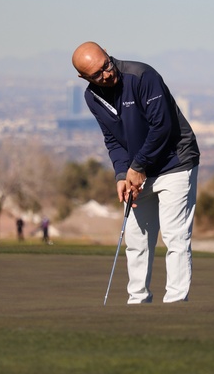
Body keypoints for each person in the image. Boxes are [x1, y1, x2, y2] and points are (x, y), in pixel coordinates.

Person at [72, 41, 200, 304]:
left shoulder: (142, 76)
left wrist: (138, 166)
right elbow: (113, 139)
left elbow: (161, 127)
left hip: (175, 162)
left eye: (106, 65)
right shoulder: (92, 97)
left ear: (107, 53)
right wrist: (122, 174)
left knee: (175, 236)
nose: (106, 74)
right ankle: (137, 302)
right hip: (137, 170)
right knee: (136, 238)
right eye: (97, 74)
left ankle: (176, 303)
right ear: (84, 77)